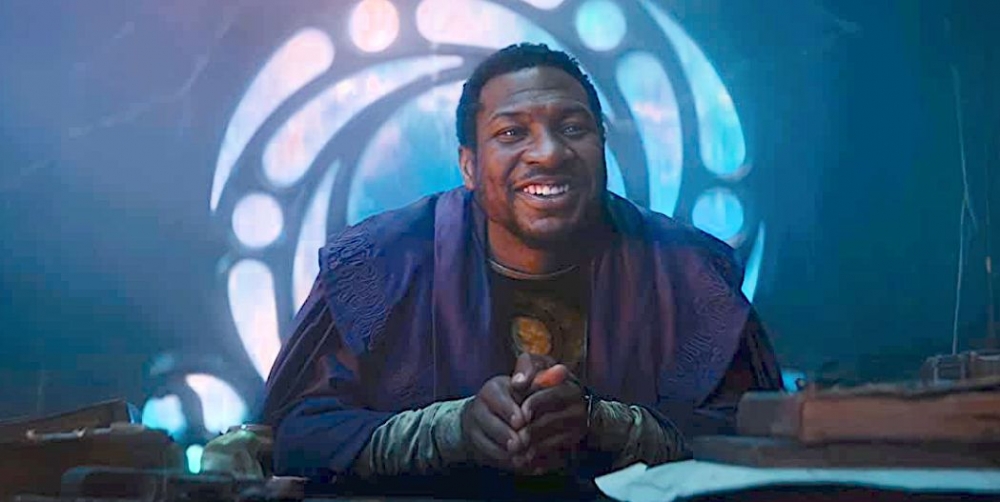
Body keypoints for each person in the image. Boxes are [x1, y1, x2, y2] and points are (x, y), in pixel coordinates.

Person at [260, 43, 781, 498]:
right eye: (512, 132)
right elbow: (295, 434)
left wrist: (604, 424)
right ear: (469, 165)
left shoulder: (689, 272)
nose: (549, 154)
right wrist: (452, 430)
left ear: (602, 145)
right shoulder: (381, 263)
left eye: (572, 128)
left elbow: (759, 437)